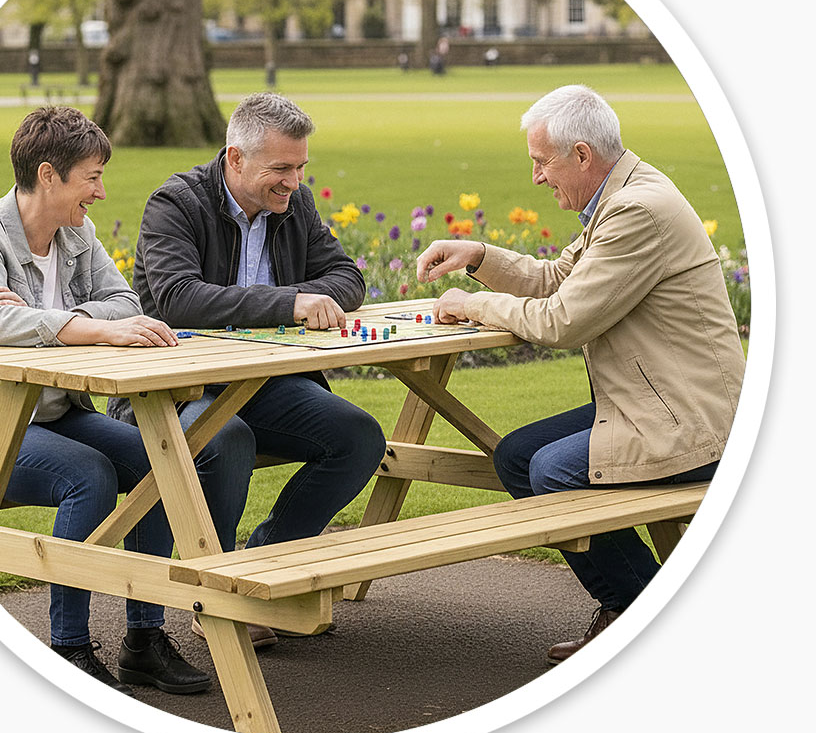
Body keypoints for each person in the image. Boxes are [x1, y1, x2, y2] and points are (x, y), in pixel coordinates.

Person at [416, 84, 745, 662]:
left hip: (691, 420)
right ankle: (628, 604)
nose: (538, 178)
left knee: (551, 471)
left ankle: (643, 615)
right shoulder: (619, 198)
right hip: (653, 401)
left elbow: (562, 320)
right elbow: (556, 280)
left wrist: (469, 305)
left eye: (542, 162)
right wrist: (479, 257)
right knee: (517, 456)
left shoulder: (637, 211)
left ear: (583, 155)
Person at [0, 105, 211, 696]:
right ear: (49, 175)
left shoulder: (77, 233)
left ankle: (143, 641)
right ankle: (68, 649)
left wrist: (49, 319)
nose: (101, 191)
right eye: (92, 177)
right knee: (90, 476)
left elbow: (127, 302)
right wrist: (90, 327)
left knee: (165, 458)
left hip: (57, 414)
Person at [107, 92, 386, 647]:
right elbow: (179, 297)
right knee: (224, 438)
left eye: (301, 167)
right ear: (235, 159)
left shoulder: (293, 204)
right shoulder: (175, 203)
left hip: (261, 385)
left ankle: (261, 568)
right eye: (281, 169)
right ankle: (222, 589)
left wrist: (304, 296)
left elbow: (347, 278)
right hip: (171, 390)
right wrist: (289, 305)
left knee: (358, 437)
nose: (294, 182)